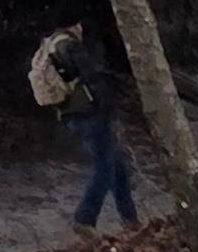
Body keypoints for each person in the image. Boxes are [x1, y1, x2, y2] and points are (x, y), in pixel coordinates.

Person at [45, 21, 138, 233]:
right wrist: (108, 105)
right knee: (104, 166)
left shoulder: (49, 44)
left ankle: (130, 219)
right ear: (73, 24)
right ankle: (85, 218)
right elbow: (92, 79)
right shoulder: (71, 45)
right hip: (91, 113)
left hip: (70, 114)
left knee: (116, 164)